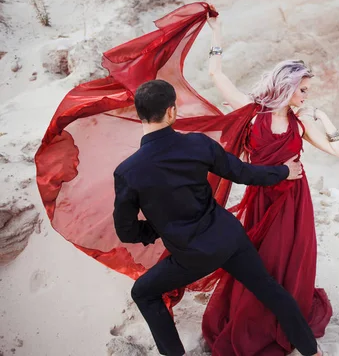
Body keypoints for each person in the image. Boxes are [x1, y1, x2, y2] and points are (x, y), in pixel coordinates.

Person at [113, 79, 324, 356]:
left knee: (143, 292)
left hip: (191, 256)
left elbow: (126, 232)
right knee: (269, 289)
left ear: (139, 115)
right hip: (230, 237)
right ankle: (311, 351)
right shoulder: (198, 144)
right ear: (172, 112)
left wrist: (155, 228)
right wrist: (283, 172)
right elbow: (242, 173)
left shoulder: (127, 172)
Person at [200, 12, 339, 355]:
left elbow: (337, 151)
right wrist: (216, 31)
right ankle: (257, 315)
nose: (306, 96)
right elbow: (215, 73)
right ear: (288, 86)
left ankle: (287, 314)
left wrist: (323, 118)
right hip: (263, 199)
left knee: (294, 258)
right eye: (303, 90)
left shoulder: (302, 120)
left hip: (295, 199)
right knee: (262, 261)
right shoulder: (254, 113)